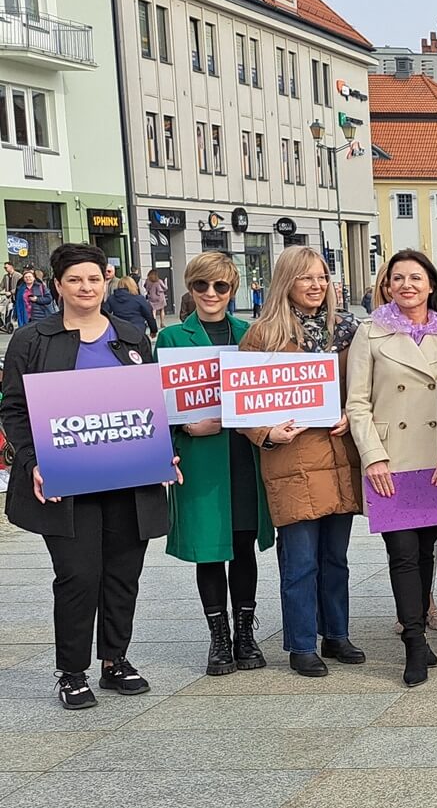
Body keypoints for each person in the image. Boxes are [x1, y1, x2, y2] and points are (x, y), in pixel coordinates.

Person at [1, 244, 175, 709]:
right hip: (65, 481)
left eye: (94, 279)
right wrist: (34, 462)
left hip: (127, 477)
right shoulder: (32, 340)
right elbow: (14, 411)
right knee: (78, 575)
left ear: (106, 282)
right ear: (58, 286)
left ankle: (115, 660)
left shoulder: (131, 336)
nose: (86, 288)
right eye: (75, 280)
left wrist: (164, 453)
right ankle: (72, 671)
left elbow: (148, 405)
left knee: (123, 572)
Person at [239, 246, 364, 678]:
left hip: (338, 455)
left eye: (323, 277)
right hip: (292, 459)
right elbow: (243, 403)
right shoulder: (263, 336)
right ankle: (300, 642)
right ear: (285, 283)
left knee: (336, 557)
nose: (317, 285)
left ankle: (337, 634)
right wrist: (266, 435)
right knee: (300, 561)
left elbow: (363, 389)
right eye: (306, 277)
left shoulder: (346, 331)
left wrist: (354, 413)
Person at [347, 249, 437, 687]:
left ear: (431, 285)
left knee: (427, 549)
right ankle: (413, 641)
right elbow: (357, 402)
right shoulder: (370, 332)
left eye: (416, 278)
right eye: (398, 279)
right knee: (401, 554)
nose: (407, 285)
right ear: (387, 286)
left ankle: (421, 632)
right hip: (390, 458)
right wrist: (372, 455)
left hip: (435, 458)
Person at [157, 253, 274, 676]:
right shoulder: (172, 338)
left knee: (242, 544)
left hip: (243, 454)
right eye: (201, 286)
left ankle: (245, 633)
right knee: (209, 549)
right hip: (202, 458)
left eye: (220, 287)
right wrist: (186, 428)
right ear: (190, 289)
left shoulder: (250, 332)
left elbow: (269, 388)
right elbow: (156, 402)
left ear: (233, 289)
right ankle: (219, 638)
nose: (210, 294)